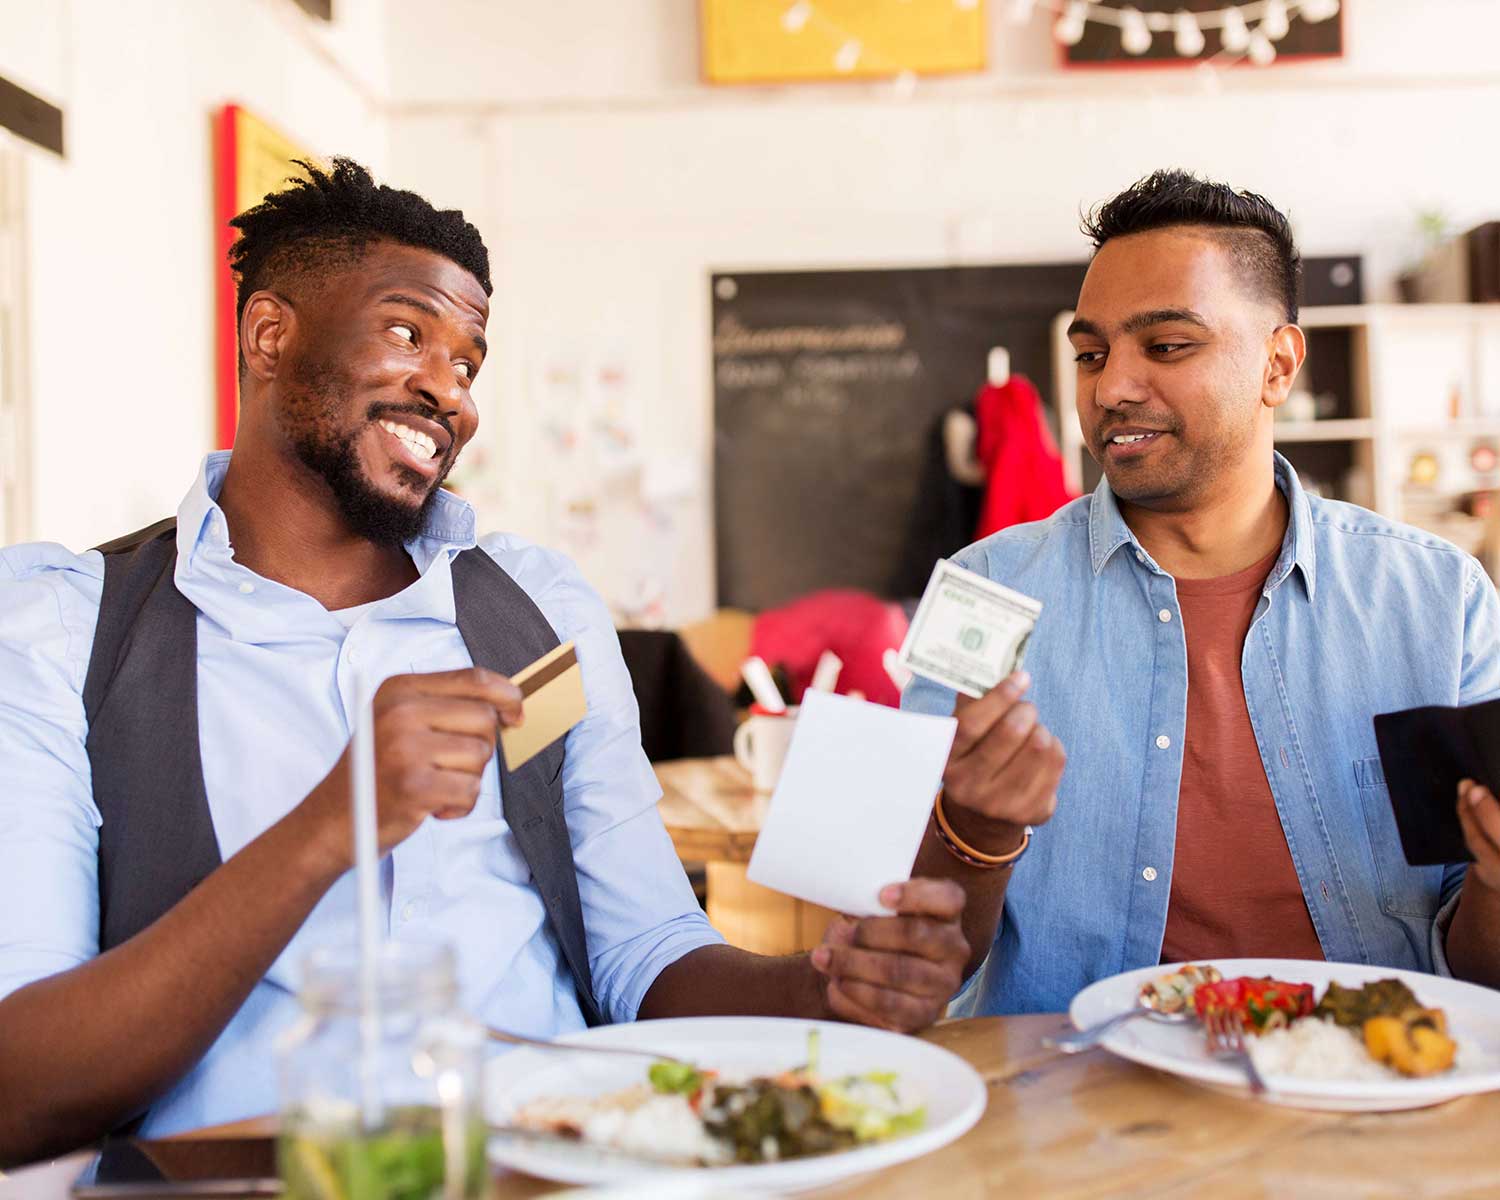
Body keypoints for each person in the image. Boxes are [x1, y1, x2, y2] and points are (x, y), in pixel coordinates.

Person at [0, 160, 1060, 1165]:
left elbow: (644, 952)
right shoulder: (64, 630)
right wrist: (334, 823)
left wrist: (825, 990)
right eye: (407, 333)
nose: (448, 391)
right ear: (269, 335)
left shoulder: (537, 612)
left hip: (553, 1164)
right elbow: (21, 1086)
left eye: (468, 364)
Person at [905, 169, 1500, 1016]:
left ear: (1277, 365)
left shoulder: (1438, 601)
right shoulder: (984, 594)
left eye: (1167, 346)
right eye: (1091, 354)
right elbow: (915, 953)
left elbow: (1479, 981)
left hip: (1375, 1076)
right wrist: (974, 832)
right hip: (1075, 1084)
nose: (1111, 388)